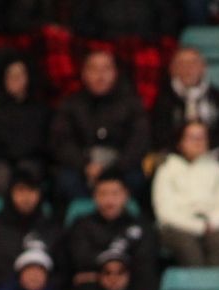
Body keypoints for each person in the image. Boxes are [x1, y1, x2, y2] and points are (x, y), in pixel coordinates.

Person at [52, 49, 152, 204]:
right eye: (94, 69)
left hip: (121, 165)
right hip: (83, 166)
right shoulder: (71, 104)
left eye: (106, 69)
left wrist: (115, 169)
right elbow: (61, 141)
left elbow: (139, 141)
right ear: (84, 74)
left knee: (137, 179)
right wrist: (85, 165)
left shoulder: (131, 103)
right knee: (65, 180)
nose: (100, 75)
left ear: (115, 72)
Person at [152, 121, 219, 268]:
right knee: (188, 247)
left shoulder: (218, 169)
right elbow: (165, 212)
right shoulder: (167, 169)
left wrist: (213, 224)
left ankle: (212, 288)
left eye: (202, 137)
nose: (198, 142)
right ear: (180, 142)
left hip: (211, 225)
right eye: (192, 137)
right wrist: (199, 227)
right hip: (176, 227)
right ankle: (196, 288)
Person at [62, 170, 159, 290]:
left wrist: (100, 275)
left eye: (115, 194)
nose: (109, 200)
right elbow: (79, 260)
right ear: (94, 196)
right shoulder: (81, 226)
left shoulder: (142, 226)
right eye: (103, 194)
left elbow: (145, 264)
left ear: (126, 195)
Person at [0, 56, 56, 200]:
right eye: (11, 75)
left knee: (27, 174)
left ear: (28, 78)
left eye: (20, 75)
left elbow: (47, 144)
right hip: (0, 162)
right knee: (0, 175)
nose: (15, 79)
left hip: (31, 160)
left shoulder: (41, 110)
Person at [151, 46, 219, 160]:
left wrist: (202, 148)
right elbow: (158, 136)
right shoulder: (163, 100)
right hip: (175, 157)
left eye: (193, 63)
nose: (188, 68)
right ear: (172, 69)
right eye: (182, 63)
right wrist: (185, 149)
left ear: (203, 67)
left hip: (213, 156)